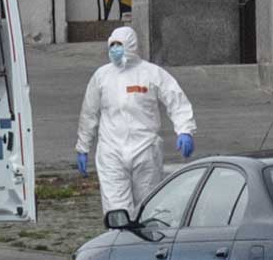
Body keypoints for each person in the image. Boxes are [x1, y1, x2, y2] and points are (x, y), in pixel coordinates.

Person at [75, 26, 196, 215]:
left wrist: (185, 130)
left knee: (146, 207)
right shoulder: (102, 76)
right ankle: (119, 234)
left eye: (119, 45)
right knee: (116, 209)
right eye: (112, 45)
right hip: (111, 150)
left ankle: (143, 234)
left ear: (130, 46)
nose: (115, 49)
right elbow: (89, 113)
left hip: (145, 149)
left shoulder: (151, 73)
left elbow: (176, 100)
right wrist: (83, 146)